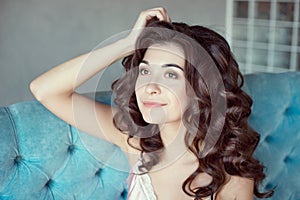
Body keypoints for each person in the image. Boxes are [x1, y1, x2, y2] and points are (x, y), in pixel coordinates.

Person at [30, 7, 273, 200]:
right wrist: (126, 44)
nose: (150, 87)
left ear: (203, 88)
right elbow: (44, 91)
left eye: (171, 74)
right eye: (145, 72)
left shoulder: (230, 176)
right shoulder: (135, 141)